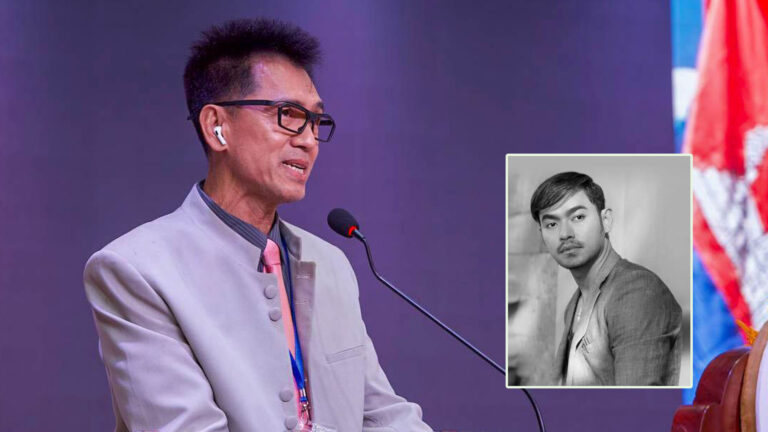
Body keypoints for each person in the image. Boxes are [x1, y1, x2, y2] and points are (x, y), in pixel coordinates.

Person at [83, 18, 431, 432]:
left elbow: (382, 414)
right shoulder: (137, 271)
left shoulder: (331, 264)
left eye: (315, 121)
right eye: (288, 115)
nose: (308, 140)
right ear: (217, 126)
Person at [529, 171, 682, 386]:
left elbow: (635, 397)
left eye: (578, 217)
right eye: (551, 224)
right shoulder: (574, 305)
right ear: (542, 235)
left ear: (606, 220)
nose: (565, 234)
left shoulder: (636, 292)